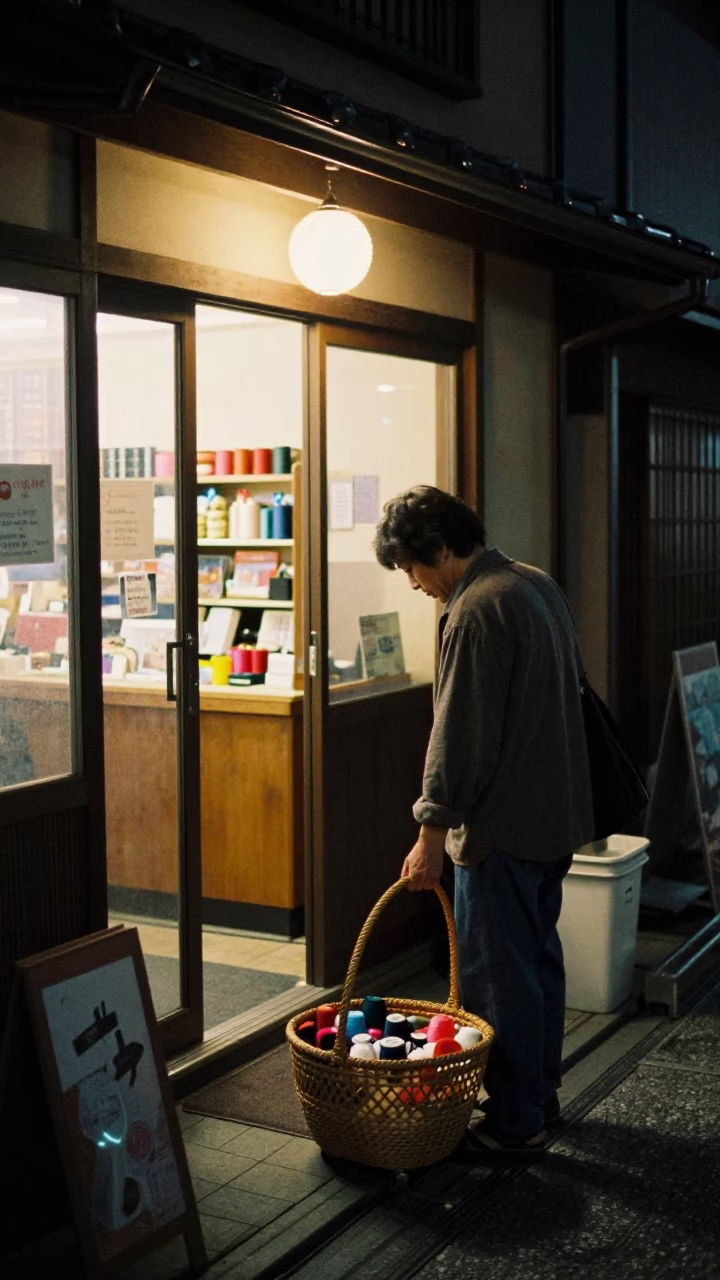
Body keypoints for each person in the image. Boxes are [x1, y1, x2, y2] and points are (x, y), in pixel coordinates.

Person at [373, 486, 594, 1161]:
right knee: (537, 962)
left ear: (441, 549)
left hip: (501, 828)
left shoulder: (474, 609)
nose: (413, 583)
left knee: (498, 975)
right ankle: (540, 1093)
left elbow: (459, 738)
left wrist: (430, 834)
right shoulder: (533, 584)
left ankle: (515, 1120)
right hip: (555, 814)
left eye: (412, 567)